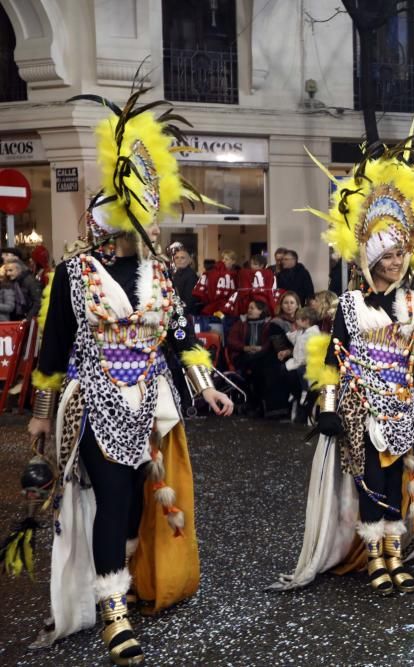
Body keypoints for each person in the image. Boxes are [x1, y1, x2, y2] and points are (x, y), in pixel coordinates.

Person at [26, 91, 233, 664]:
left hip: (152, 402)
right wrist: (43, 415)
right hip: (95, 400)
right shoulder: (75, 272)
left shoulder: (159, 275)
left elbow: (181, 335)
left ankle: (130, 581)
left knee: (141, 497)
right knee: (113, 497)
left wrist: (206, 385)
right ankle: (111, 609)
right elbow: (53, 348)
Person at [273, 141, 414, 595]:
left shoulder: (412, 301)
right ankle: (376, 558)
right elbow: (333, 356)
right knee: (371, 482)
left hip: (401, 404)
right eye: (388, 255)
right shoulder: (350, 303)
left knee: (399, 478)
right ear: (371, 259)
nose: (397, 261)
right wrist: (327, 406)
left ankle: (395, 551)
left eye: (401, 254)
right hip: (361, 404)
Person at [170, 248, 198, 315]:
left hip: (186, 314)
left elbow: (189, 301)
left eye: (182, 258)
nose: (179, 260)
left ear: (189, 261)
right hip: (177, 310)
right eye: (176, 258)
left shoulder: (191, 275)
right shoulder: (176, 274)